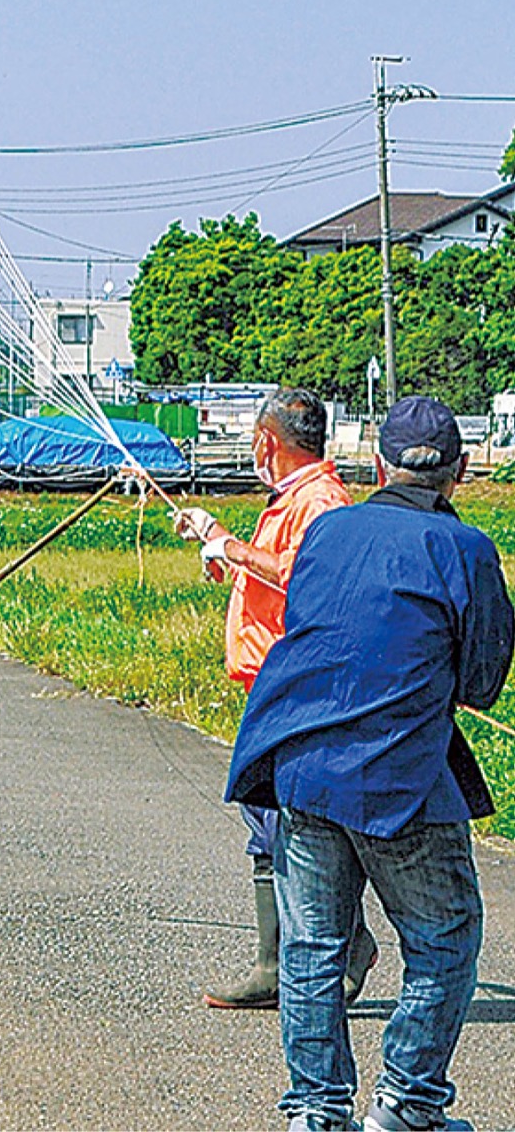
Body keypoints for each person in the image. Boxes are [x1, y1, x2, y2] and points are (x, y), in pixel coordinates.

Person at [227, 396, 515, 1132]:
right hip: (398, 777)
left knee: (314, 949)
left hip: (299, 762)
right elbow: (482, 682)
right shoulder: (467, 549)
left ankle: (316, 1113)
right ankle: (408, 1103)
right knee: (446, 939)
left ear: (380, 465)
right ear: (457, 473)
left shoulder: (330, 530)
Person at [174, 386, 376, 1010]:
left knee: (286, 818)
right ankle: (291, 958)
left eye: (256, 440)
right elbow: (276, 571)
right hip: (270, 681)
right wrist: (224, 549)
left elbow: (303, 576)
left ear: (269, 441)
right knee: (269, 816)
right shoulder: (297, 497)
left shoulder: (320, 501)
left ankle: (316, 954)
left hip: (294, 684)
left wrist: (233, 548)